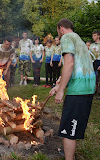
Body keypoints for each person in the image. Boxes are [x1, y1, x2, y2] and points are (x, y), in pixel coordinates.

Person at [49, 18, 96, 160]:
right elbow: (76, 66)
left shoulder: (66, 37)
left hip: (78, 90)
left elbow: (69, 64)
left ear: (61, 28)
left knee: (68, 130)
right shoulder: (79, 40)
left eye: (58, 31)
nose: (59, 34)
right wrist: (59, 84)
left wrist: (62, 90)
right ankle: (68, 153)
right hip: (87, 88)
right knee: (71, 127)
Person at [0, 36, 15, 101]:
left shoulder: (12, 49)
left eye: (9, 45)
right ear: (3, 42)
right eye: (6, 44)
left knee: (6, 81)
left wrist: (7, 69)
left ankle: (4, 96)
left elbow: (10, 60)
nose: (8, 46)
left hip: (5, 66)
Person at [89, 30, 100, 99]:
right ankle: (93, 92)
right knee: (93, 77)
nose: (93, 37)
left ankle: (99, 94)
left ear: (98, 36)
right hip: (92, 62)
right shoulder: (92, 45)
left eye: (95, 35)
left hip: (99, 61)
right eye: (93, 35)